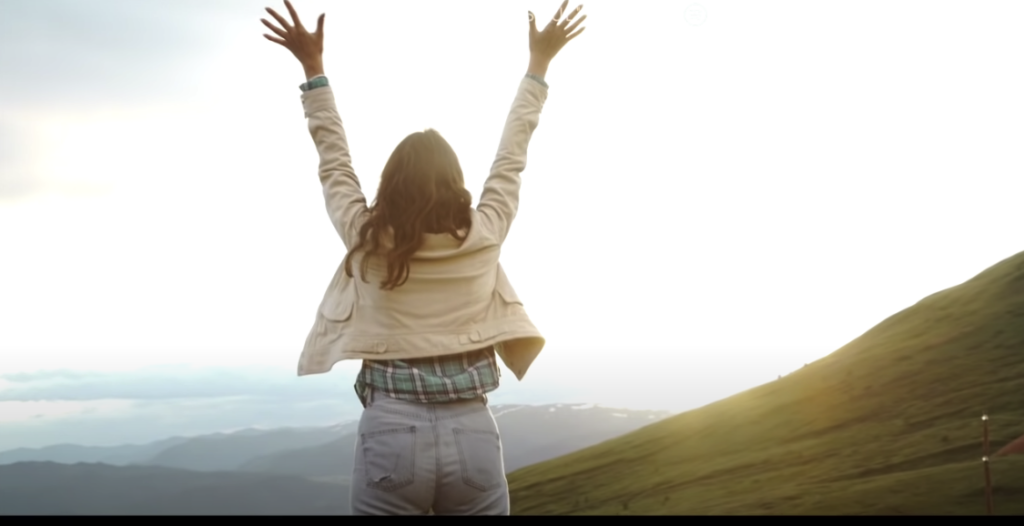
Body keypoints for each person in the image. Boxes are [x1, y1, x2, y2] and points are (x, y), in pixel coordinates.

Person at [260, 0, 587, 516]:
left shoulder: (365, 238)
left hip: (391, 428)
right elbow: (512, 157)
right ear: (456, 183)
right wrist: (538, 67)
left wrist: (313, 72)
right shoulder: (485, 233)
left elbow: (335, 164)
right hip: (473, 430)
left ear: (391, 184)